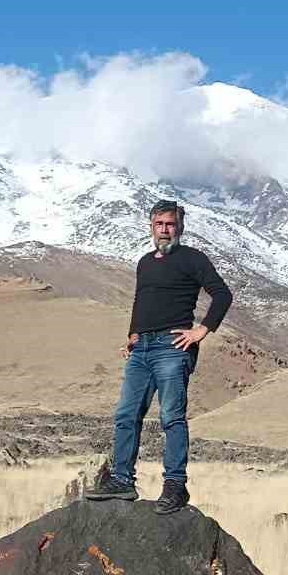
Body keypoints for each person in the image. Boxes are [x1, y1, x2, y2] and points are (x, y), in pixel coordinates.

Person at [87, 199, 233, 514]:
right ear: (151, 227)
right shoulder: (145, 262)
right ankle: (123, 480)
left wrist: (201, 331)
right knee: (126, 416)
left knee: (171, 418)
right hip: (141, 349)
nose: (164, 230)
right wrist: (132, 334)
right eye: (159, 224)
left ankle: (175, 486)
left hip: (173, 346)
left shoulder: (193, 259)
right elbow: (144, 300)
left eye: (170, 224)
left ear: (179, 226)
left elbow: (223, 294)